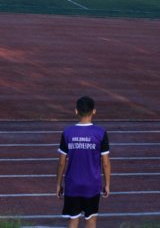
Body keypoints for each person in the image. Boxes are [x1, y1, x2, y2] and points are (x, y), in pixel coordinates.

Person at [56, 96, 111, 228]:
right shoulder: (101, 133)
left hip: (72, 184)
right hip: (92, 185)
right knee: (91, 219)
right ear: (94, 111)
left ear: (76, 111)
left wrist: (58, 184)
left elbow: (62, 162)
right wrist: (107, 184)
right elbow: (105, 163)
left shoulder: (67, 132)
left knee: (73, 219)